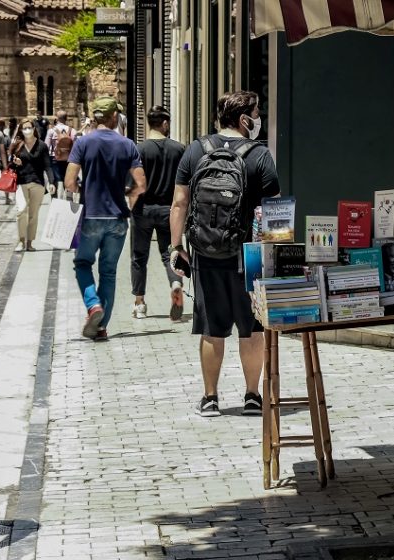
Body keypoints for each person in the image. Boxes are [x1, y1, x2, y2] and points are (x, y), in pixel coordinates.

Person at [169, 90, 280, 417]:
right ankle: (251, 396)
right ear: (245, 119)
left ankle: (210, 398)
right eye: (257, 112)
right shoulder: (259, 155)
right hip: (250, 256)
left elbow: (178, 203)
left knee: (211, 328)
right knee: (253, 328)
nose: (259, 118)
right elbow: (275, 208)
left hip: (205, 252)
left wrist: (178, 248)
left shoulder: (196, 150)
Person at [64, 96, 146, 341]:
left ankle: (93, 306)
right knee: (108, 272)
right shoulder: (127, 144)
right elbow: (141, 184)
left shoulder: (83, 143)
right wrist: (127, 193)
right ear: (113, 117)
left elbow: (69, 181)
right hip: (119, 217)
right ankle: (101, 328)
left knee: (82, 264)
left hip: (90, 215)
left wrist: (82, 189)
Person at [131, 106, 186, 321]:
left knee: (139, 257)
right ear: (165, 123)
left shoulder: (139, 149)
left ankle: (140, 303)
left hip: (143, 209)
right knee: (170, 252)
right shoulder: (179, 149)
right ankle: (175, 283)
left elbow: (135, 183)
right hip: (169, 209)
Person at [10, 118, 53, 252]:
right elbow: (10, 166)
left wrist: (51, 182)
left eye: (29, 127)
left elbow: (47, 165)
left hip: (37, 183)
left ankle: (29, 242)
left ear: (34, 128)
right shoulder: (17, 145)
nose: (27, 130)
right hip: (22, 182)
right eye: (24, 128)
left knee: (33, 214)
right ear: (21, 130)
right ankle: (21, 240)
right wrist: (15, 163)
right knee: (21, 210)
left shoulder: (41, 145)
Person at [44, 110, 75, 197]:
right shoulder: (72, 131)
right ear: (66, 118)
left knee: (56, 181)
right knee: (68, 180)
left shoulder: (51, 131)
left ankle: (56, 201)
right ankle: (69, 199)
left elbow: (46, 146)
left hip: (55, 158)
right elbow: (76, 147)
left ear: (56, 119)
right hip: (69, 160)